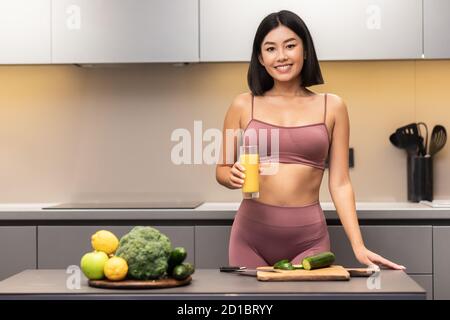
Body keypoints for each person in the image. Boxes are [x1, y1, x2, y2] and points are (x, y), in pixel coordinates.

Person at [216, 10, 406, 270]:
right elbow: (222, 170)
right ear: (260, 58)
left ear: (305, 51)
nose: (281, 56)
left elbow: (340, 183)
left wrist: (358, 245)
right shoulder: (241, 105)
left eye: (290, 46)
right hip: (250, 239)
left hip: (308, 242)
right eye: (271, 49)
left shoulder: (333, 106)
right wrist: (232, 176)